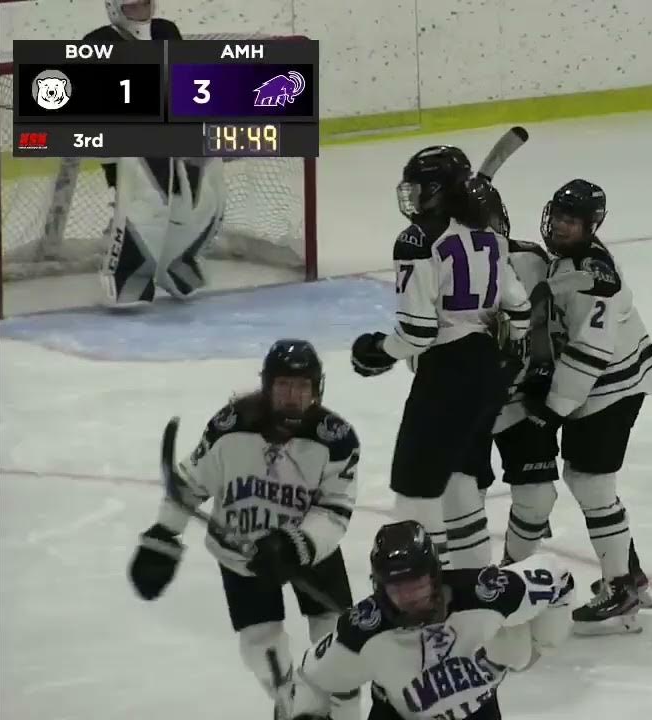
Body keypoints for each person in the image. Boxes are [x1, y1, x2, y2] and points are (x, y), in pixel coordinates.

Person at [126, 339, 361, 720]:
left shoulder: (336, 440)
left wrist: (292, 546)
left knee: (338, 638)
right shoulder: (229, 427)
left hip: (309, 551)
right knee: (259, 642)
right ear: (267, 386)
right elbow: (188, 483)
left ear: (317, 390)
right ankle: (296, 707)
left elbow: (335, 511)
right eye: (284, 385)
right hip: (243, 554)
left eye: (303, 387)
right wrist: (163, 535)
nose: (292, 396)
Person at [349, 146, 530, 571]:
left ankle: (427, 590)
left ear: (436, 190)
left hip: (448, 374)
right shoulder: (489, 234)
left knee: (416, 488)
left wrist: (378, 350)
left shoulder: (417, 240)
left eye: (419, 187)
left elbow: (417, 331)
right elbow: (519, 312)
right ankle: (476, 581)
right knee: (460, 475)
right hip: (490, 371)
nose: (412, 197)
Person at [511, 179, 652, 634]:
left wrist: (555, 408)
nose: (560, 226)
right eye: (558, 216)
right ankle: (631, 577)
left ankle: (619, 587)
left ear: (590, 225)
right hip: (605, 386)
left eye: (572, 221)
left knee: (589, 481)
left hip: (611, 388)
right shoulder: (572, 260)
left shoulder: (595, 277)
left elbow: (590, 353)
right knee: (588, 480)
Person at [287, 520, 576, 720]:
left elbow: (558, 577)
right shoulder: (362, 630)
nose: (409, 595)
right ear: (379, 586)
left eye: (418, 583)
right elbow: (310, 680)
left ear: (435, 576)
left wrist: (543, 644)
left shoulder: (487, 593)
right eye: (396, 586)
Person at [87, 0, 224, 306]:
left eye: (145, 5)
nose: (142, 13)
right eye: (133, 8)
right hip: (127, 142)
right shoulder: (99, 42)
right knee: (147, 204)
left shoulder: (166, 31)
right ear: (115, 9)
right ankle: (127, 276)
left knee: (206, 199)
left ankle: (177, 262)